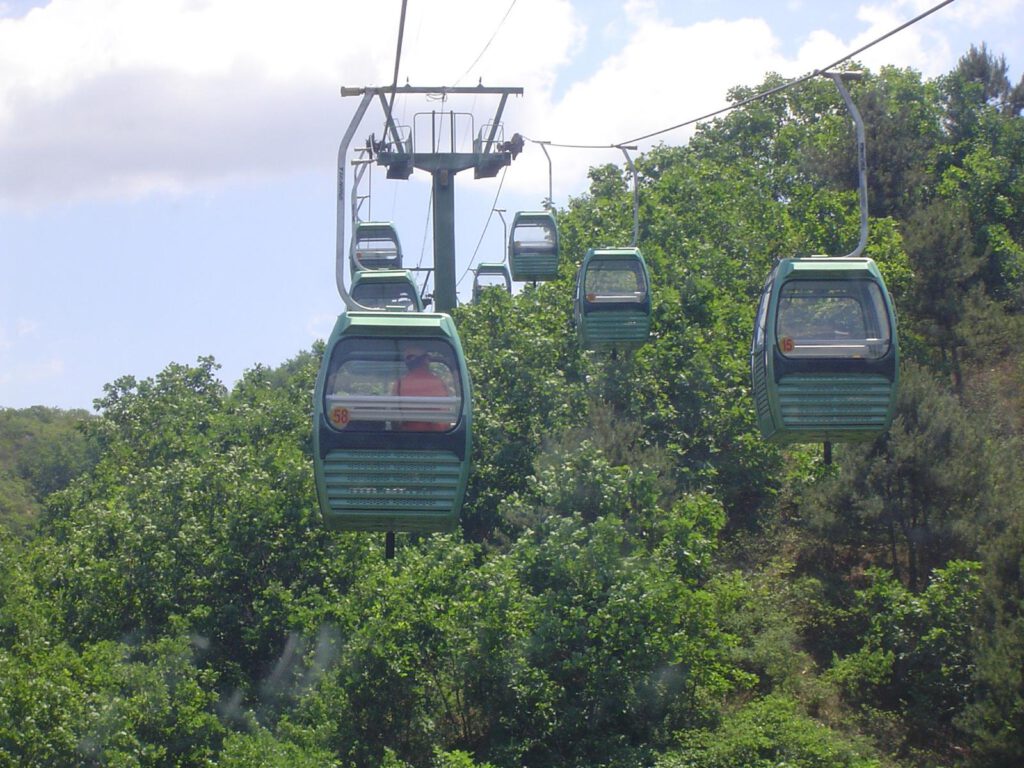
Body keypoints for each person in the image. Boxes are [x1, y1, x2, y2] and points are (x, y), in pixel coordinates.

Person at [392, 345, 451, 431]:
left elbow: (395, 421)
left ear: (407, 364)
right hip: (435, 439)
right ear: (426, 360)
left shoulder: (399, 384)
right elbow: (444, 422)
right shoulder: (438, 383)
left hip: (406, 439)